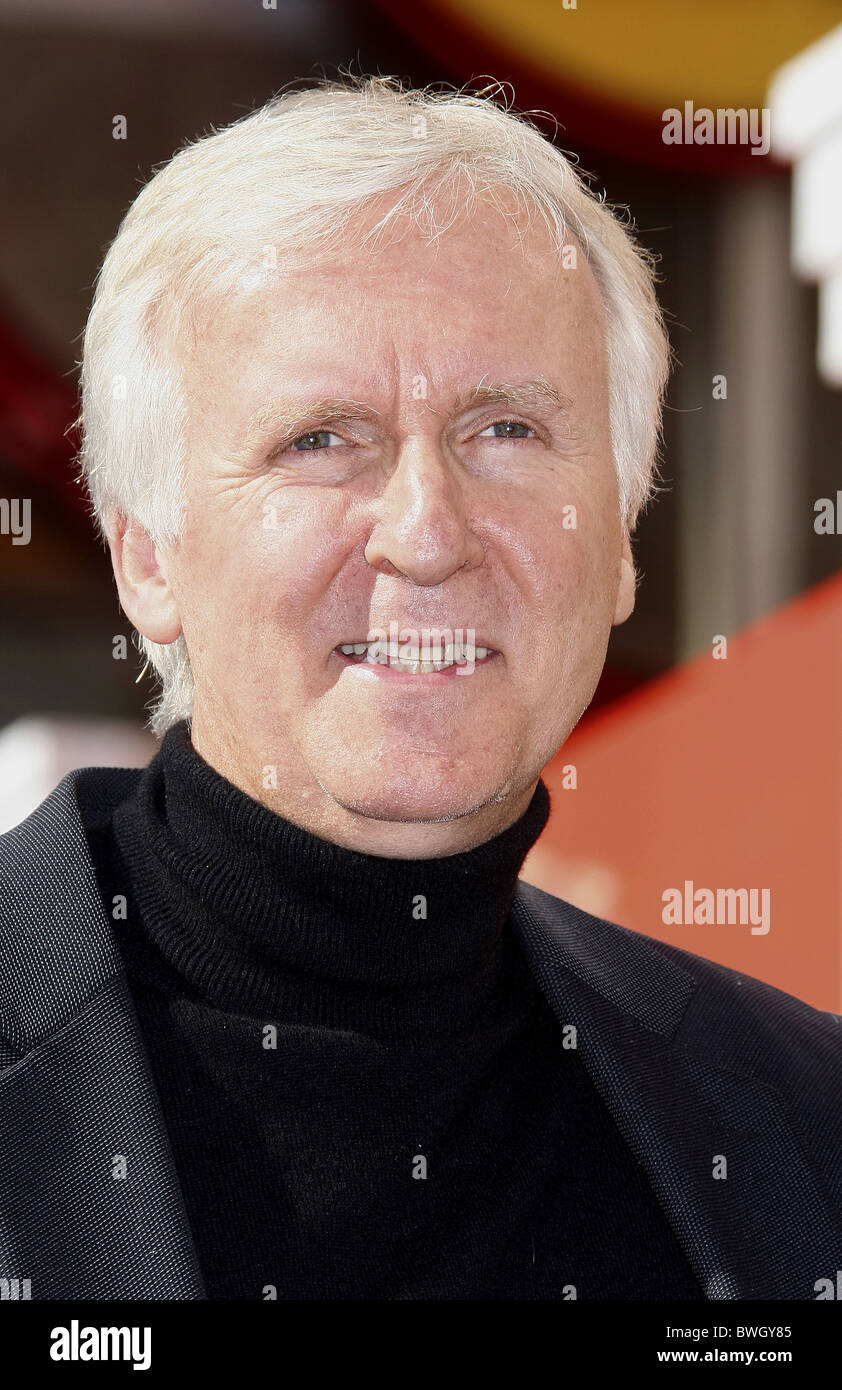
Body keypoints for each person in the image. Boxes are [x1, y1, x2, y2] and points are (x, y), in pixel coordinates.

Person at [1, 77, 839, 1302]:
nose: (427, 529)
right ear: (148, 557)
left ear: (617, 542)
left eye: (502, 428)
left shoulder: (799, 1117)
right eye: (319, 439)